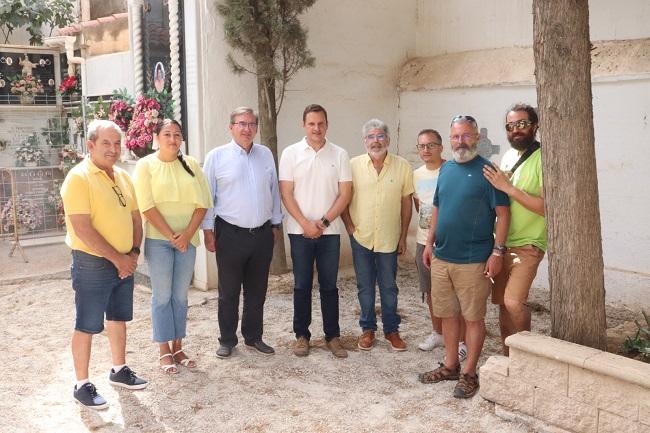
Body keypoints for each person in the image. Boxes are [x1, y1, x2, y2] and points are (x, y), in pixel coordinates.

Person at [419, 115, 510, 399]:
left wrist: (498, 252)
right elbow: (437, 208)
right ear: (450, 139)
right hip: (442, 256)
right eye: (456, 137)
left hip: (473, 260)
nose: (461, 142)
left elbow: (504, 215)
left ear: (477, 138)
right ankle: (450, 366)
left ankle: (470, 373)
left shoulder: (489, 172)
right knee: (447, 314)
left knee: (473, 318)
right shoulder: (445, 170)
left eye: (467, 136)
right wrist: (429, 243)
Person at [60, 119, 148, 410]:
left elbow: (136, 218)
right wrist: (118, 258)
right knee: (87, 323)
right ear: (91, 145)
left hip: (124, 260)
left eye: (117, 143)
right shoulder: (78, 177)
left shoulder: (123, 176)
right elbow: (83, 228)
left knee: (118, 317)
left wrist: (133, 254)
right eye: (106, 143)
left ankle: (119, 369)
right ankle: (82, 384)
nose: (113, 149)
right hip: (92, 262)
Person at [201, 107, 283, 358]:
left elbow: (274, 191)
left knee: (257, 290)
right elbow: (208, 196)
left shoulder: (265, 154)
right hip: (230, 233)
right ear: (231, 127)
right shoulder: (216, 157)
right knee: (229, 292)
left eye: (251, 124)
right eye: (241, 123)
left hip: (261, 233)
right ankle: (227, 339)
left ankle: (253, 336)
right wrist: (207, 230)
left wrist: (275, 223)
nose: (247, 128)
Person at [134, 119, 213, 373]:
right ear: (157, 137)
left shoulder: (191, 164)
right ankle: (163, 350)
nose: (172, 139)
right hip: (160, 242)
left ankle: (178, 346)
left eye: (177, 134)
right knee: (162, 296)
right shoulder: (145, 165)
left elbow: (203, 203)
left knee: (180, 296)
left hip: (187, 241)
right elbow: (146, 205)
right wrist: (171, 235)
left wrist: (187, 234)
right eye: (167, 134)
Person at [279, 104, 352, 358]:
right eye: (311, 124)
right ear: (304, 125)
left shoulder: (340, 154)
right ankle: (302, 335)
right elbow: (286, 193)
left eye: (321, 123)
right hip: (299, 231)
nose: (316, 128)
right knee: (301, 285)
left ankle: (332, 336)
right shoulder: (290, 153)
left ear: (327, 124)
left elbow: (345, 194)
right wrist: (305, 224)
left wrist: (322, 223)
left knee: (330, 285)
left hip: (329, 233)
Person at [342, 119, 413, 352]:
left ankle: (392, 330)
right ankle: (368, 329)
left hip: (389, 238)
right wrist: (350, 227)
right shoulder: (352, 165)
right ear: (364, 141)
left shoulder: (402, 166)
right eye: (371, 137)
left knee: (389, 286)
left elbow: (406, 203)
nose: (376, 141)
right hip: (361, 236)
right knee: (365, 286)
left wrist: (403, 236)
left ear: (388, 139)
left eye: (380, 136)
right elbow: (343, 197)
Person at [483, 103, 546, 355]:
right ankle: (508, 354)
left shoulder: (544, 158)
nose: (516, 130)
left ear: (535, 126)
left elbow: (544, 207)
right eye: (510, 126)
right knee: (501, 303)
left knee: (513, 301)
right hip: (502, 243)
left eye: (522, 124)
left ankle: (525, 351)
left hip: (529, 244)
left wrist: (508, 187)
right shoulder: (509, 156)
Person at [412, 129, 467, 361]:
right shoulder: (416, 174)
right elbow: (419, 204)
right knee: (431, 292)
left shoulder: (452, 170)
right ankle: (438, 333)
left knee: (454, 294)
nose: (426, 150)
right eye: (422, 146)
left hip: (450, 242)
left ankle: (461, 340)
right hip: (424, 241)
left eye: (431, 145)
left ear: (441, 147)